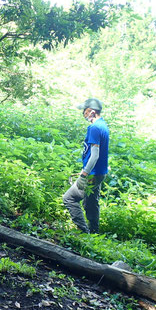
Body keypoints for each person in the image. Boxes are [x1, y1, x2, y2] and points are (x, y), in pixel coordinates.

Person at [63, 98, 109, 234]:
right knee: (90, 203)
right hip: (99, 172)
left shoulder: (94, 128)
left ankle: (83, 233)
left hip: (93, 174)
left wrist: (84, 175)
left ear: (92, 112)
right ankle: (94, 231)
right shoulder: (103, 126)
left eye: (85, 111)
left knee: (69, 198)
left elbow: (95, 155)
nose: (83, 114)